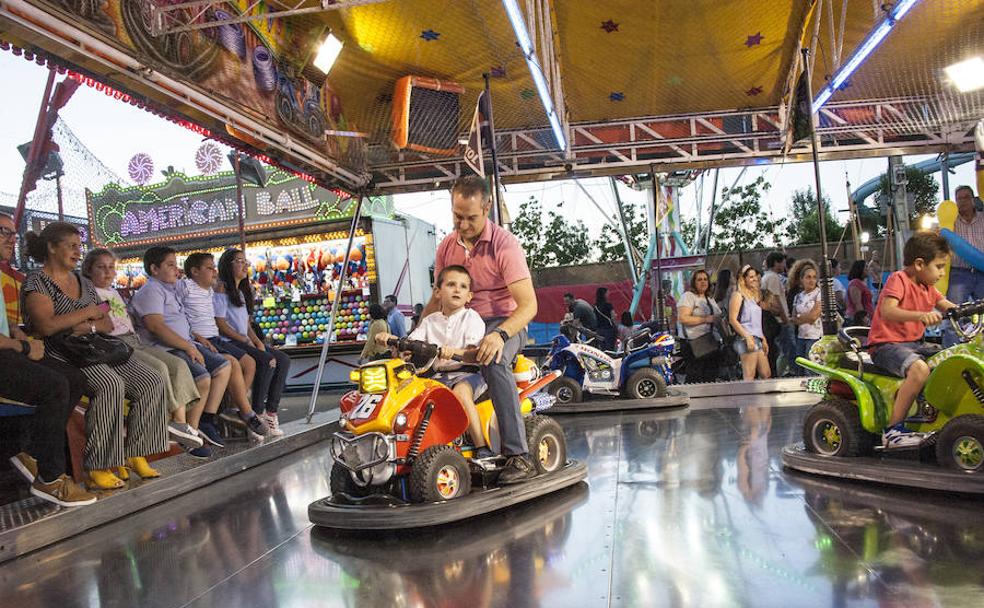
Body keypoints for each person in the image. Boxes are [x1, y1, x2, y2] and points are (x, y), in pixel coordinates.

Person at [22, 222, 169, 489]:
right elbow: (46, 326)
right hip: (61, 352)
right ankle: (99, 465)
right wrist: (85, 313)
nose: (78, 252)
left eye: (80, 247)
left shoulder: (83, 282)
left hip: (93, 345)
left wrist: (87, 323)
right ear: (52, 248)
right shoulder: (37, 282)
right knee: (110, 385)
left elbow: (106, 323)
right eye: (71, 246)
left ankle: (136, 453)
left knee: (152, 379)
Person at [424, 175, 538, 484]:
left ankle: (519, 456)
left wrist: (500, 334)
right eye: (456, 216)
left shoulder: (505, 245)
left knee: (493, 359)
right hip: (462, 324)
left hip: (505, 322)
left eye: (470, 218)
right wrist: (413, 337)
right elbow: (437, 300)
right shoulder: (447, 247)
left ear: (487, 207)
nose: (462, 225)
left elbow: (528, 306)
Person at [0, 213, 95, 506]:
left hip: (10, 350)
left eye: (12, 233)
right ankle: (51, 479)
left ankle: (35, 455)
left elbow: (6, 324)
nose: (11, 238)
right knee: (54, 385)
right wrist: (24, 347)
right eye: (3, 232)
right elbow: (49, 325)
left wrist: (20, 336)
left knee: (75, 377)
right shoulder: (37, 281)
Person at [81, 248, 203, 449]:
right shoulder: (88, 293)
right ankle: (165, 425)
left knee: (178, 365)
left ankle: (179, 423)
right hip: (115, 344)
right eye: (101, 268)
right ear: (88, 269)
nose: (108, 272)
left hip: (134, 340)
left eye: (111, 267)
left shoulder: (114, 292)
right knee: (159, 369)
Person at [377, 265, 492, 458]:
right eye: (451, 285)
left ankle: (482, 447)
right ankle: (412, 448)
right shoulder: (430, 321)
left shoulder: (471, 318)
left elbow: (474, 353)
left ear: (469, 296)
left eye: (463, 287)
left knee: (460, 394)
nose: (457, 290)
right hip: (438, 376)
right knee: (411, 397)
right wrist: (391, 341)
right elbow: (412, 343)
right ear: (438, 292)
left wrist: (453, 352)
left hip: (468, 375)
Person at [129, 246, 232, 452]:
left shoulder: (171, 288)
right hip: (165, 347)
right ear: (154, 269)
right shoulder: (151, 291)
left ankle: (204, 421)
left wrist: (196, 339)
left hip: (187, 343)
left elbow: (181, 319)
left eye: (175, 264)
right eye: (170, 265)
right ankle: (188, 433)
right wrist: (188, 347)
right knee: (202, 377)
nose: (176, 269)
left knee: (224, 366)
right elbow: (156, 326)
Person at [867, 232, 956, 448]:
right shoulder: (899, 279)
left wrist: (969, 310)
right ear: (919, 264)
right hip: (886, 345)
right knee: (920, 370)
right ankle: (893, 431)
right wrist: (920, 316)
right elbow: (888, 311)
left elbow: (948, 306)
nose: (942, 273)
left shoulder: (928, 288)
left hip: (914, 344)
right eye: (939, 266)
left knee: (953, 358)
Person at [178, 252, 268, 440]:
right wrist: (195, 336)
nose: (214, 272)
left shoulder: (210, 291)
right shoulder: (185, 286)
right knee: (232, 364)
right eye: (209, 268)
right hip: (202, 339)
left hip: (214, 338)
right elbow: (179, 315)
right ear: (194, 271)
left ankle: (239, 410)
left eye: (214, 267)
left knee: (246, 363)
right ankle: (240, 412)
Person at [214, 248, 290, 436]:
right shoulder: (221, 290)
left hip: (243, 339)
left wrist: (257, 342)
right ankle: (256, 415)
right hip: (228, 341)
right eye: (239, 261)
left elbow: (247, 324)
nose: (245, 265)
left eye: (245, 261)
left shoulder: (241, 293)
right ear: (227, 265)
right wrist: (245, 340)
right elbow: (221, 325)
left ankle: (271, 411)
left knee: (283, 359)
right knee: (266, 361)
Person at [943, 186, 984, 347]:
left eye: (966, 197)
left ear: (974, 200)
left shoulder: (983, 219)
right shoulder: (949, 222)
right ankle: (949, 353)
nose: (963, 201)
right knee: (953, 315)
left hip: (982, 273)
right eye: (959, 198)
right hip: (959, 273)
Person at [677, 269, 721, 383]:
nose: (703, 282)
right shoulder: (688, 296)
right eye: (699, 279)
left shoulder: (709, 299)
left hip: (710, 342)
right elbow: (683, 318)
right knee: (695, 376)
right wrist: (706, 319)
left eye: (705, 279)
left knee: (710, 376)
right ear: (694, 282)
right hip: (694, 343)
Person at [729, 265, 771, 381]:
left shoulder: (753, 297)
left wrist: (763, 339)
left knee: (766, 373)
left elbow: (757, 322)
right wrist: (747, 336)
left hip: (757, 337)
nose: (755, 279)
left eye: (755, 277)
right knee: (749, 375)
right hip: (745, 337)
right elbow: (732, 319)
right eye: (751, 277)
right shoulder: (738, 295)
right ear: (743, 279)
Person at [760, 252, 790, 377]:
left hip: (773, 320)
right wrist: (785, 318)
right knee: (785, 351)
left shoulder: (767, 277)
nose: (784, 265)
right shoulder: (773, 277)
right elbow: (775, 299)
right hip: (778, 320)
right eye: (783, 262)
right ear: (777, 262)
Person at [790, 260, 822, 375]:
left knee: (811, 368)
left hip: (815, 336)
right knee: (800, 367)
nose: (811, 280)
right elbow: (793, 318)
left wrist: (800, 317)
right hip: (801, 336)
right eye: (808, 277)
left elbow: (814, 316)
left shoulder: (819, 294)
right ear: (802, 279)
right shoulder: (798, 297)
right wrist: (804, 317)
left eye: (814, 277)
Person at [846, 259, 874, 326]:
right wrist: (863, 318)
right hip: (859, 320)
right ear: (860, 269)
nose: (868, 269)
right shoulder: (855, 283)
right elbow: (857, 303)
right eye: (866, 267)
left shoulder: (862, 283)